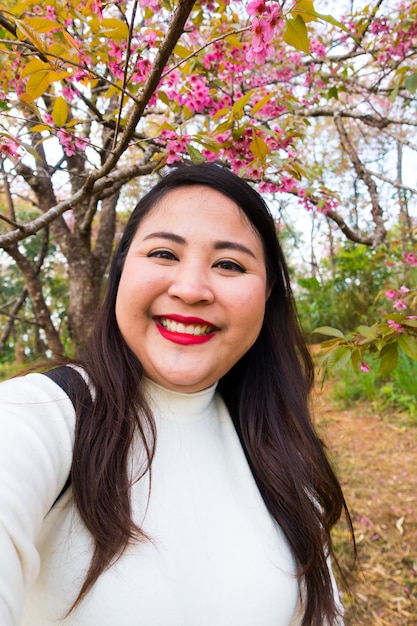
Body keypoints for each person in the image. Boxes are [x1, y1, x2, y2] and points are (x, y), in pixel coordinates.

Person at [0, 162, 353, 626]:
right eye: (164, 254)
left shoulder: (279, 450)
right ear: (121, 272)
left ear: (267, 294)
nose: (190, 290)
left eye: (229, 264)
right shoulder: (39, 416)